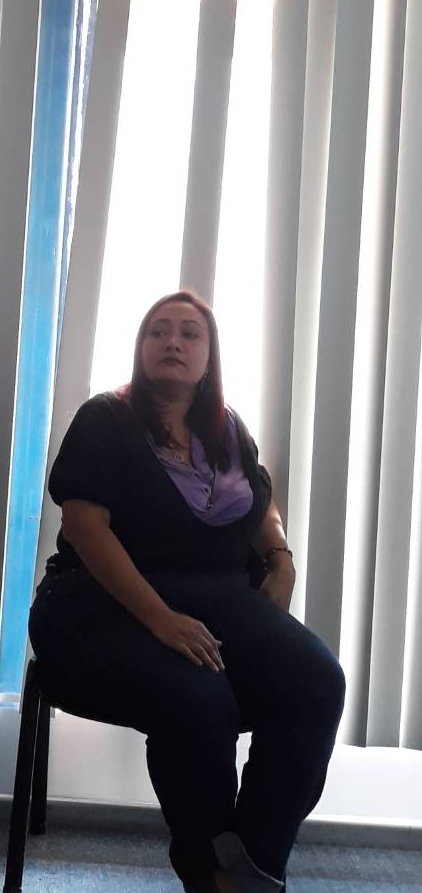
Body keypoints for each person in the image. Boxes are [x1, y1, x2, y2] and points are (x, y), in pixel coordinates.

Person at [29, 290, 345, 893]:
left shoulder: (228, 429)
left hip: (217, 598)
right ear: (141, 347)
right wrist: (160, 618)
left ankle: (247, 871)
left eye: (189, 333)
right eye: (158, 331)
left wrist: (281, 559)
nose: (172, 341)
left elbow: (261, 503)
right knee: (199, 696)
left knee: (317, 682)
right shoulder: (106, 417)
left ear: (209, 357)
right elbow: (84, 527)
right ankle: (207, 871)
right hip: (98, 605)